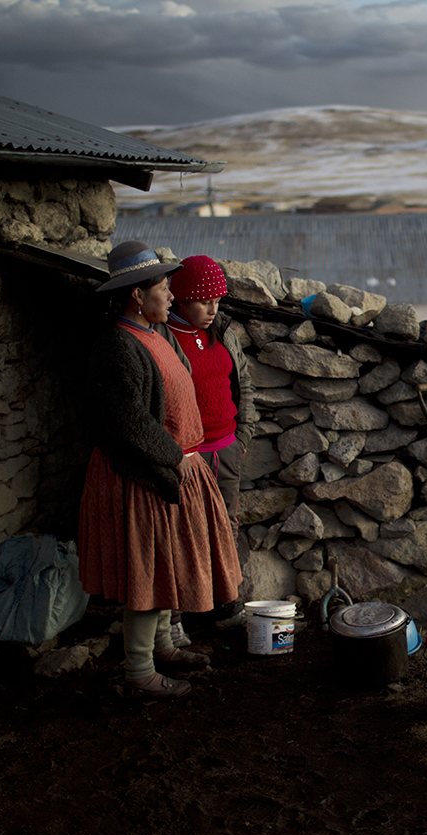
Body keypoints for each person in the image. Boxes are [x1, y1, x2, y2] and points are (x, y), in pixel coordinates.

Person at [77, 241, 244, 699]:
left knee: (167, 565)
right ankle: (139, 672)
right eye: (164, 288)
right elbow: (126, 422)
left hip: (172, 469)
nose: (171, 296)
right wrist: (176, 457)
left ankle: (164, 647)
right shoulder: (117, 347)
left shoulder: (158, 334)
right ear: (137, 295)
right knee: (147, 573)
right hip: (142, 475)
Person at [160, 255, 253, 644]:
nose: (213, 309)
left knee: (226, 526)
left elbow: (242, 382)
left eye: (217, 300)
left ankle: (227, 607)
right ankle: (175, 619)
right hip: (186, 457)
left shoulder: (224, 332)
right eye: (203, 301)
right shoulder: (163, 339)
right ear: (180, 300)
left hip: (226, 449)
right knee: (180, 530)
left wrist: (243, 435)